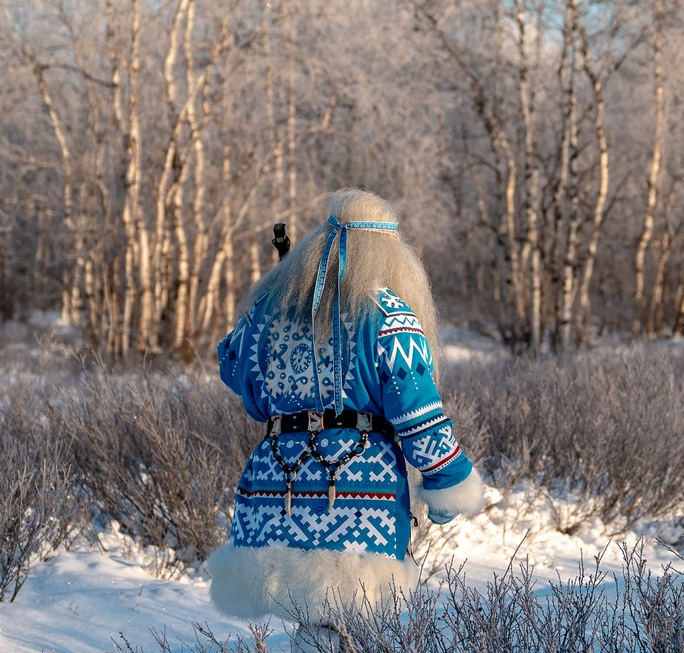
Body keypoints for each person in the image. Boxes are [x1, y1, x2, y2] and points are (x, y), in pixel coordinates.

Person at [207, 189, 486, 623]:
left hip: (273, 487)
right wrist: (448, 484)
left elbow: (231, 365)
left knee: (309, 623)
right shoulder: (389, 315)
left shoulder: (266, 314)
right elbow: (420, 416)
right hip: (355, 495)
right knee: (347, 631)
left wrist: (278, 303)